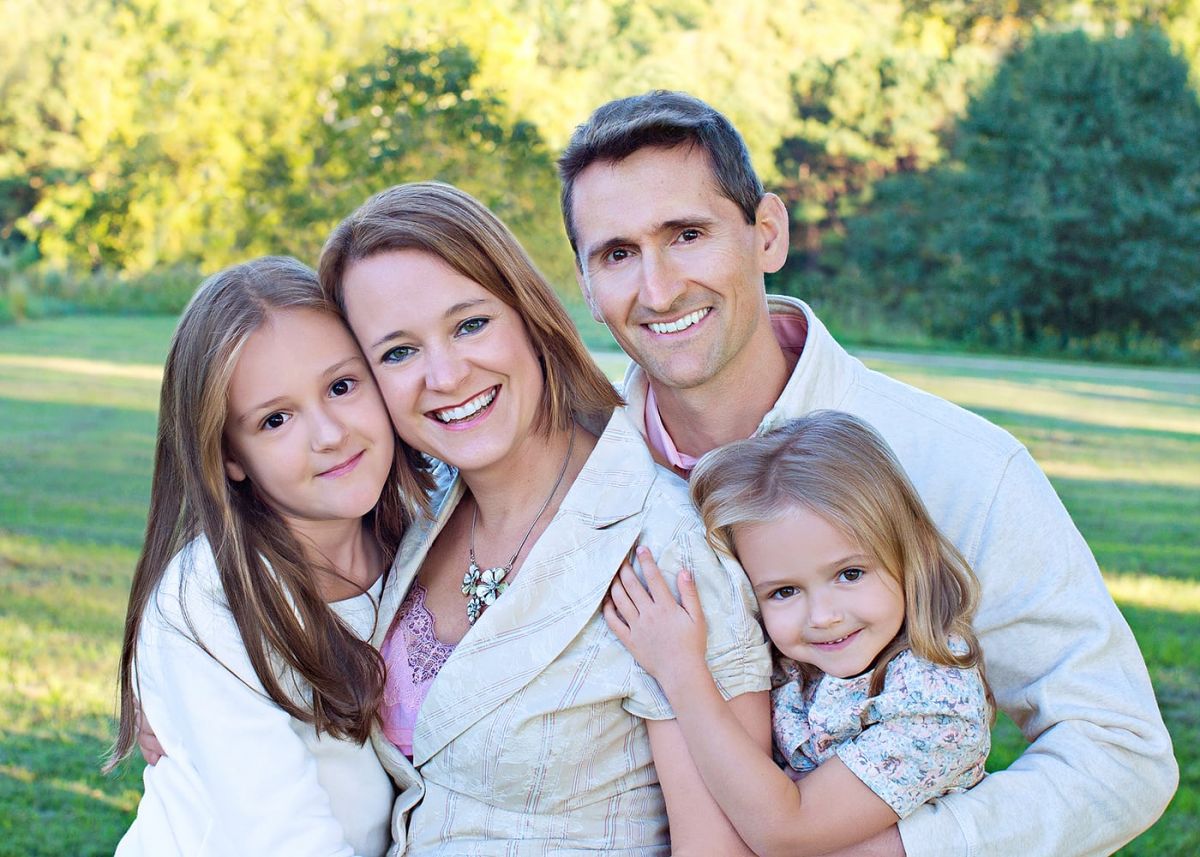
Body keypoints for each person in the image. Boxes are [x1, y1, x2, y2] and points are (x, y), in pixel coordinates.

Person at [557, 90, 1178, 856]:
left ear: (767, 233)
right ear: (586, 284)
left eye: (687, 234)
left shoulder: (958, 464)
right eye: (618, 254)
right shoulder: (567, 474)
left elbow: (1119, 753)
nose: (657, 289)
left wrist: (895, 850)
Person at [317, 181, 773, 855]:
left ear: (528, 315)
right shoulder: (410, 517)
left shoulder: (664, 546)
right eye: (398, 352)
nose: (445, 375)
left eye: (470, 325)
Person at [110, 257, 417, 856]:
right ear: (229, 456)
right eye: (275, 420)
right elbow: (285, 837)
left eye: (341, 386)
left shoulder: (423, 536)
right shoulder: (209, 599)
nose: (329, 434)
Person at [606, 412, 993, 857]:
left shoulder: (935, 700)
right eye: (784, 591)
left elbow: (786, 831)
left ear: (910, 555)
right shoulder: (794, 661)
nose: (822, 617)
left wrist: (681, 671)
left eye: (850, 573)